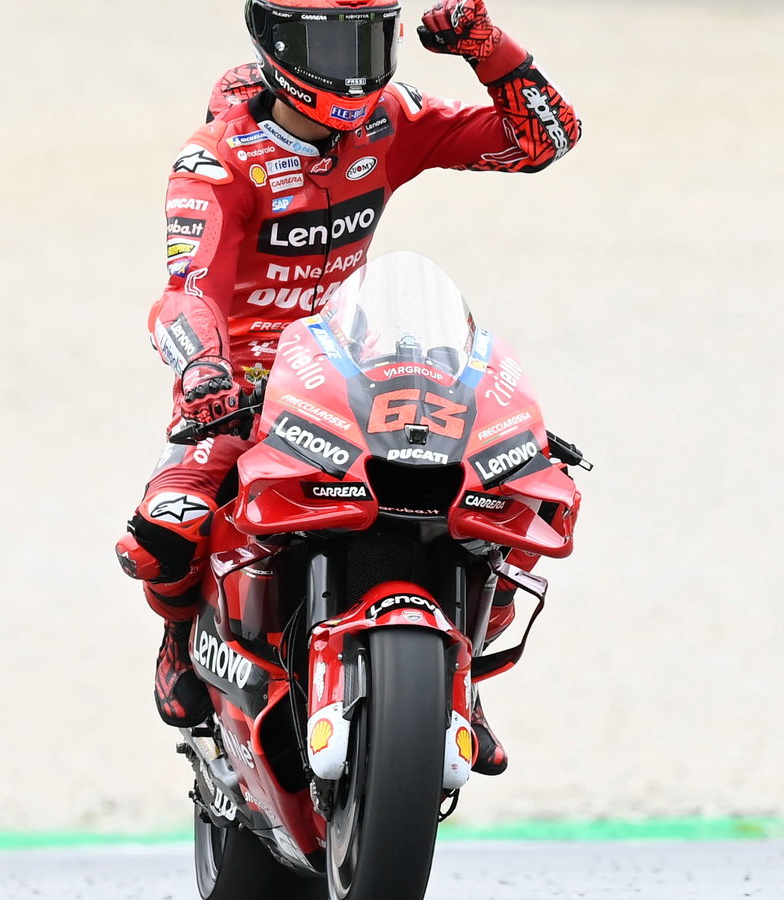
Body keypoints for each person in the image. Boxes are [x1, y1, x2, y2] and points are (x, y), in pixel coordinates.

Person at [115, 0, 581, 776]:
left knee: (502, 498)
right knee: (161, 534)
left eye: (367, 41)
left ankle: (453, 681)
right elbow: (183, 292)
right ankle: (180, 640)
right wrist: (202, 374)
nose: (350, 69)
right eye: (328, 43)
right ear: (274, 41)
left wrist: (486, 46)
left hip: (352, 365)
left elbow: (543, 140)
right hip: (243, 392)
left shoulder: (388, 120)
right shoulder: (217, 162)